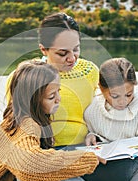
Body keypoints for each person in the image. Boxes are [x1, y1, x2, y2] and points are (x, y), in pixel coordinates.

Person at [0, 60, 106, 181]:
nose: (58, 99)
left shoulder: (19, 114)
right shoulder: (26, 124)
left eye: (58, 91)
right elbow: (29, 164)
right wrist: (82, 159)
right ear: (32, 99)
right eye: (52, 96)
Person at [6, 12, 99, 147]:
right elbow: (14, 122)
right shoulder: (25, 76)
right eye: (62, 53)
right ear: (43, 49)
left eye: (76, 49)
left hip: (87, 149)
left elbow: (100, 112)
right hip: (43, 153)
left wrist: (94, 134)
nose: (72, 58)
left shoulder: (90, 72)